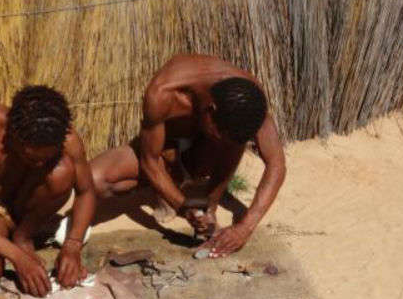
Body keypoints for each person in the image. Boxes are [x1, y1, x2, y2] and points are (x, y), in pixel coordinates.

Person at [90, 54, 286, 258]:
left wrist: (244, 227)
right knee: (96, 180)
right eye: (218, 134)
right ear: (210, 110)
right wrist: (183, 206)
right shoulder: (164, 93)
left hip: (200, 156)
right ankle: (167, 189)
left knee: (232, 143)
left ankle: (210, 203)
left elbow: (277, 165)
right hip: (165, 152)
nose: (222, 141)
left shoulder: (248, 100)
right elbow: (149, 160)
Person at [0, 85, 96, 297]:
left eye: (46, 158)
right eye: (31, 158)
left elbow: (86, 192)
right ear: (13, 135)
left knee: (62, 172)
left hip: (25, 213)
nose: (39, 164)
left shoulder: (67, 140)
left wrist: (73, 247)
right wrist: (18, 258)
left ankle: (23, 236)